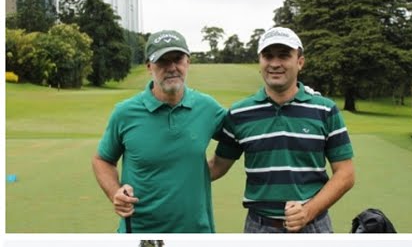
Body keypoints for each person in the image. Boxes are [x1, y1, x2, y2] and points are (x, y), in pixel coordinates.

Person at [210, 26, 355, 233]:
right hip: (259, 226)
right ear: (260, 62)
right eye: (268, 56)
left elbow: (346, 173)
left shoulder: (325, 109)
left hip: (314, 225)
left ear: (300, 62)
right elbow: (217, 166)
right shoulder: (240, 113)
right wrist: (164, 179)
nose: (275, 63)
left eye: (284, 56)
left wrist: (308, 211)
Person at [92, 30, 227, 233]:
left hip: (197, 232)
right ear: (149, 66)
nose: (172, 67)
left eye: (178, 59)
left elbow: (237, 138)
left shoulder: (208, 108)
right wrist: (115, 192)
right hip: (138, 231)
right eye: (163, 61)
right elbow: (102, 160)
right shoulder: (125, 113)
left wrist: (209, 170)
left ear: (187, 62)